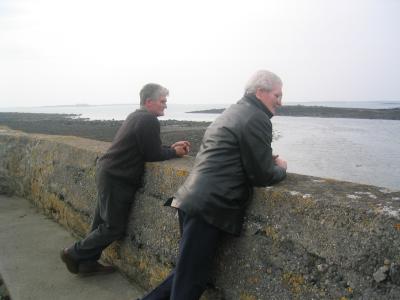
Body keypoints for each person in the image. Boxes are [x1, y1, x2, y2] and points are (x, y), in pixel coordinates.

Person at [141, 70, 287, 300]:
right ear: (260, 92)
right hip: (210, 206)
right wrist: (281, 167)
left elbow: (232, 155)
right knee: (190, 283)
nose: (280, 102)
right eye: (277, 95)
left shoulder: (232, 112)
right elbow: (263, 175)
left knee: (187, 273)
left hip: (192, 199)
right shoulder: (256, 117)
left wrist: (265, 159)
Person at [60, 83, 190, 276]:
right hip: (117, 177)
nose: (165, 105)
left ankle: (87, 263)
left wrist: (171, 147)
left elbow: (145, 146)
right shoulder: (148, 120)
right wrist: (174, 152)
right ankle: (73, 253)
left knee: (100, 223)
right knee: (113, 227)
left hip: (108, 171)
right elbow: (151, 153)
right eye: (162, 101)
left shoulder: (136, 116)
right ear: (149, 101)